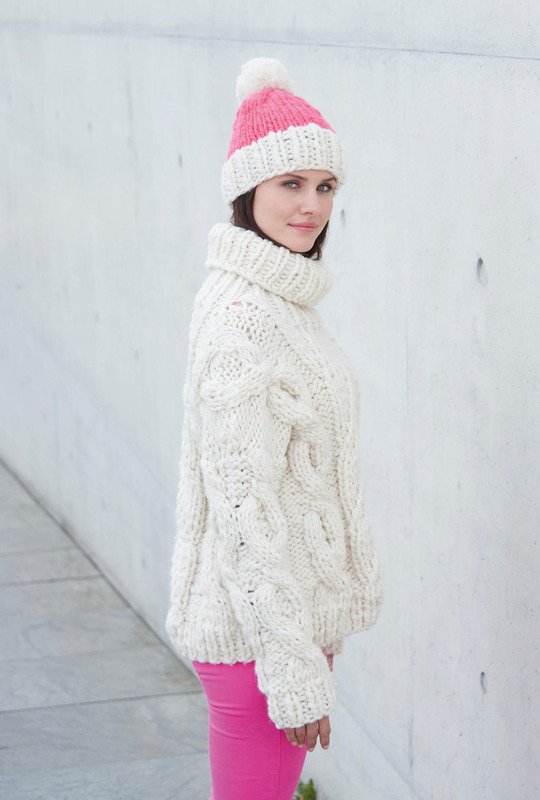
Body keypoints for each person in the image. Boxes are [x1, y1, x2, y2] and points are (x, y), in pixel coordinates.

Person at [165, 56, 384, 800]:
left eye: (325, 187)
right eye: (291, 183)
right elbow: (243, 513)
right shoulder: (243, 317)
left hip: (280, 628)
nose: (311, 206)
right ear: (247, 189)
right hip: (256, 641)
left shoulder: (280, 297)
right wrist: (291, 670)